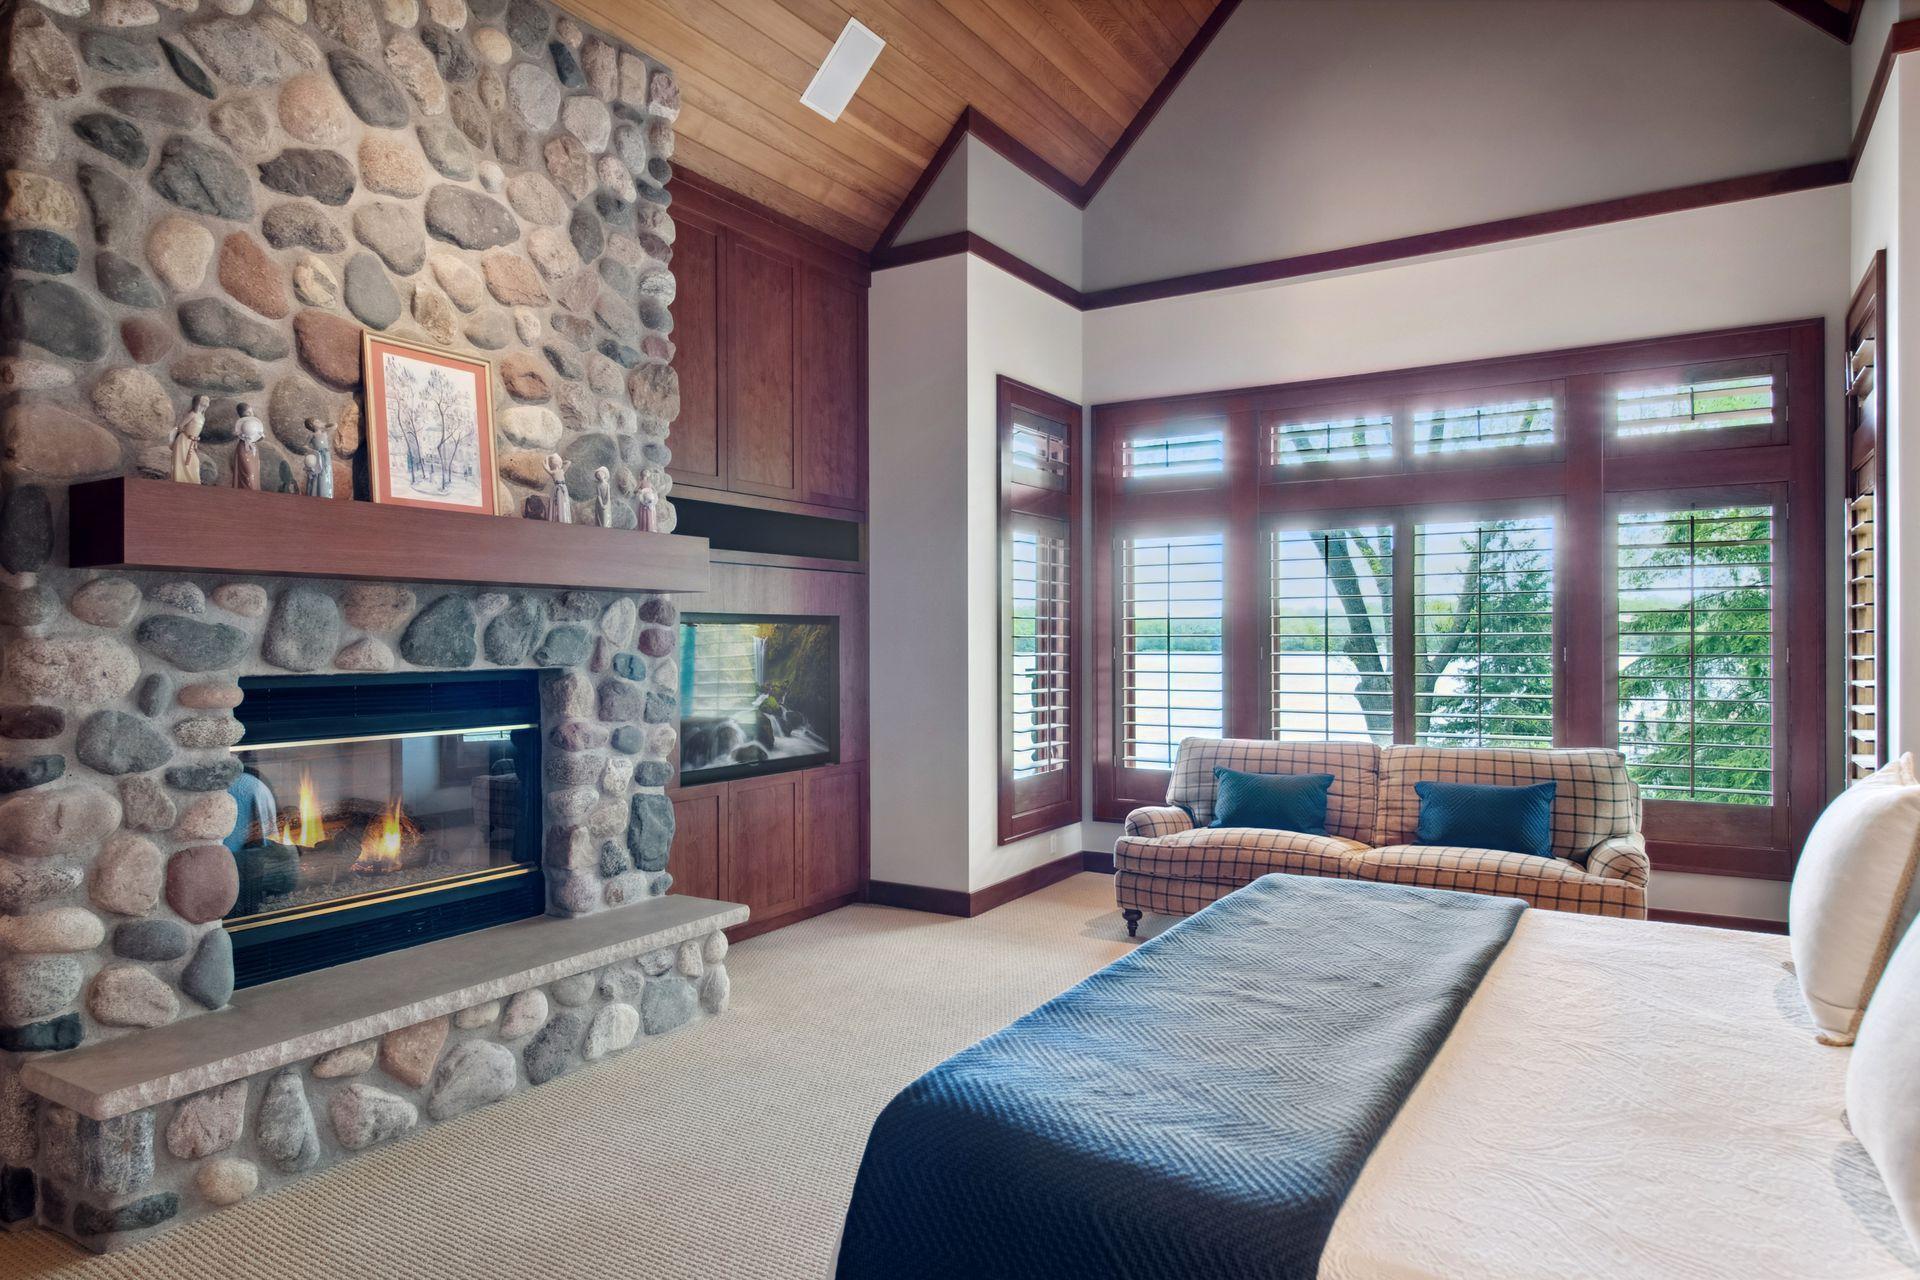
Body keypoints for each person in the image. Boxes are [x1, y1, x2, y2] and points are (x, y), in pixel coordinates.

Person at [171, 395, 209, 484]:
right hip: (184, 441)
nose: (207, 401)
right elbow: (180, 426)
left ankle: (192, 482)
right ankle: (180, 481)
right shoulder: (192, 414)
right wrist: (188, 435)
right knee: (183, 462)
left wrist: (194, 439)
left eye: (208, 400)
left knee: (194, 462)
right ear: (198, 401)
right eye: (205, 399)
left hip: (192, 442)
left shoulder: (202, 417)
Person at [231, 403, 264, 490]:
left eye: (251, 412)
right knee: (247, 473)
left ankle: (254, 491)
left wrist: (260, 436)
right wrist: (239, 434)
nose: (251, 414)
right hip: (243, 448)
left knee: (254, 473)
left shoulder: (254, 425)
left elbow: (257, 438)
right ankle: (246, 489)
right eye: (248, 413)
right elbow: (235, 434)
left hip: (253, 449)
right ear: (241, 414)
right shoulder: (241, 425)